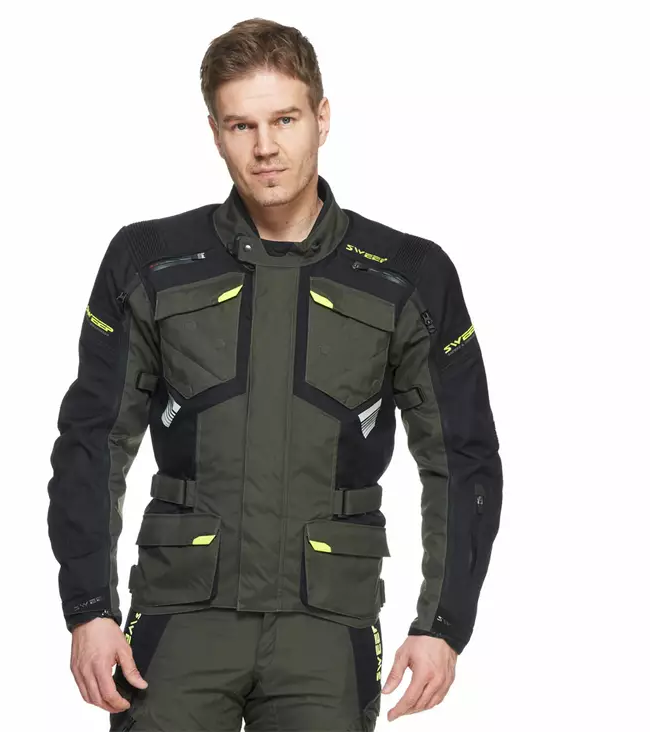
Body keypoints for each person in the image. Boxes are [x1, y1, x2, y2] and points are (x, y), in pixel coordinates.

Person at [47, 16, 503, 732]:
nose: (265, 147)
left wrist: (444, 623)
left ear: (322, 118)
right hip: (180, 619)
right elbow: (92, 442)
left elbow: (462, 457)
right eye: (242, 125)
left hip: (327, 628)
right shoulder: (149, 262)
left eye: (285, 119)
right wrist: (89, 607)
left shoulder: (409, 276)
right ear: (215, 132)